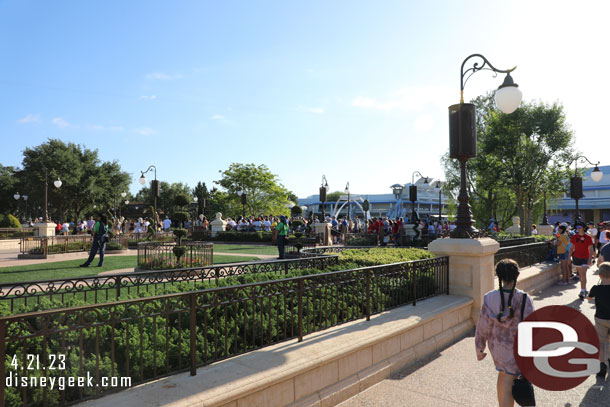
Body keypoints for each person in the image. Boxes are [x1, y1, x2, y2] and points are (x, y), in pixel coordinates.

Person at [475, 259, 535, 407]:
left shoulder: (489, 297)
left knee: (502, 375)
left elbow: (482, 326)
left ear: (498, 276)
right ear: (517, 275)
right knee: (510, 382)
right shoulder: (524, 299)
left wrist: (479, 348)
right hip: (515, 349)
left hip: (497, 348)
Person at [586, 262, 610, 378]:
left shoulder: (596, 288)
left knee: (601, 342)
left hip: (600, 318)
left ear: (600, 275)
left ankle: (602, 365)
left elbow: (589, 298)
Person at [570, 222, 594, 299]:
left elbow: (591, 249)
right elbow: (571, 248)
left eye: (580, 227)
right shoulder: (574, 237)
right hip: (576, 258)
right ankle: (584, 289)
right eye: (577, 227)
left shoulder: (588, 237)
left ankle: (582, 291)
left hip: (585, 258)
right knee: (581, 275)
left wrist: (590, 259)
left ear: (583, 228)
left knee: (583, 274)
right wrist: (569, 257)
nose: (578, 228)